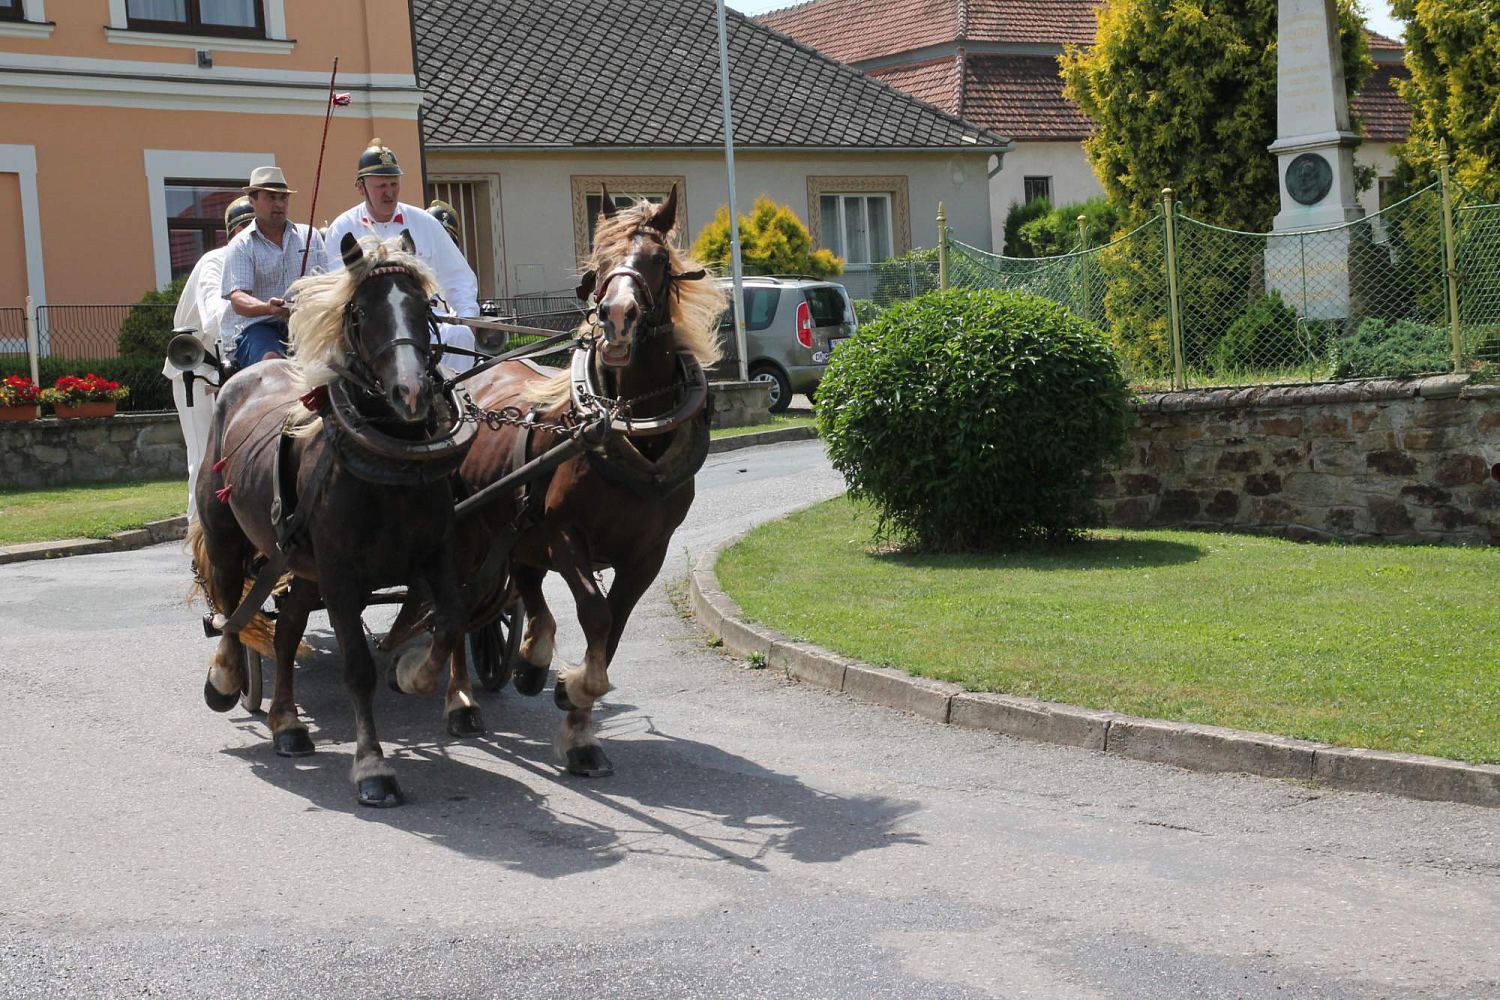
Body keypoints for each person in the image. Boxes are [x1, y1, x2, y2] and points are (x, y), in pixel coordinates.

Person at [323, 140, 481, 372]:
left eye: (394, 184)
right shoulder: (343, 227)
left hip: (425, 323)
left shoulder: (426, 223)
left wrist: (468, 318)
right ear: (360, 187)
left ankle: (463, 405)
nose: (389, 192)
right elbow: (335, 290)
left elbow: (458, 277)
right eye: (381, 186)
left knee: (460, 336)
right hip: (369, 330)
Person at [166, 195, 254, 522]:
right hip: (198, 370)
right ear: (232, 234)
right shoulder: (215, 262)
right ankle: (198, 543)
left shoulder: (259, 259)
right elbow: (214, 318)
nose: (251, 236)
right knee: (203, 458)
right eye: (245, 229)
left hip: (238, 367)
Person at [220, 165, 325, 370]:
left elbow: (326, 284)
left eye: (283, 198)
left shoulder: (310, 236)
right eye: (271, 197)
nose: (279, 204)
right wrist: (268, 308)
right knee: (272, 365)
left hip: (306, 327)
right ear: (252, 200)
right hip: (259, 328)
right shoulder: (241, 245)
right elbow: (238, 299)